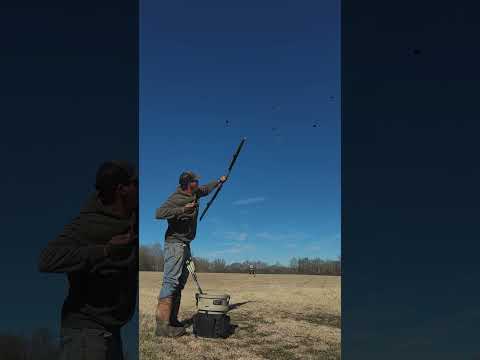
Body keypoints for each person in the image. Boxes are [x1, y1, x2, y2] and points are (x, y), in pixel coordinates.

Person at [38, 161, 138, 360]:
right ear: (122, 189)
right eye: (137, 183)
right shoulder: (87, 225)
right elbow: (46, 259)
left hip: (112, 329)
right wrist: (105, 250)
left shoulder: (133, 219)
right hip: (85, 331)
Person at [154, 171, 227, 337]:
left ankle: (172, 321)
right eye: (196, 181)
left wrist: (219, 181)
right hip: (174, 244)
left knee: (179, 283)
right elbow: (158, 213)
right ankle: (162, 326)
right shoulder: (176, 197)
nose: (198, 184)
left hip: (185, 245)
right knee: (170, 281)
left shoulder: (195, 193)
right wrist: (181, 209)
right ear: (189, 183)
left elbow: (206, 189)